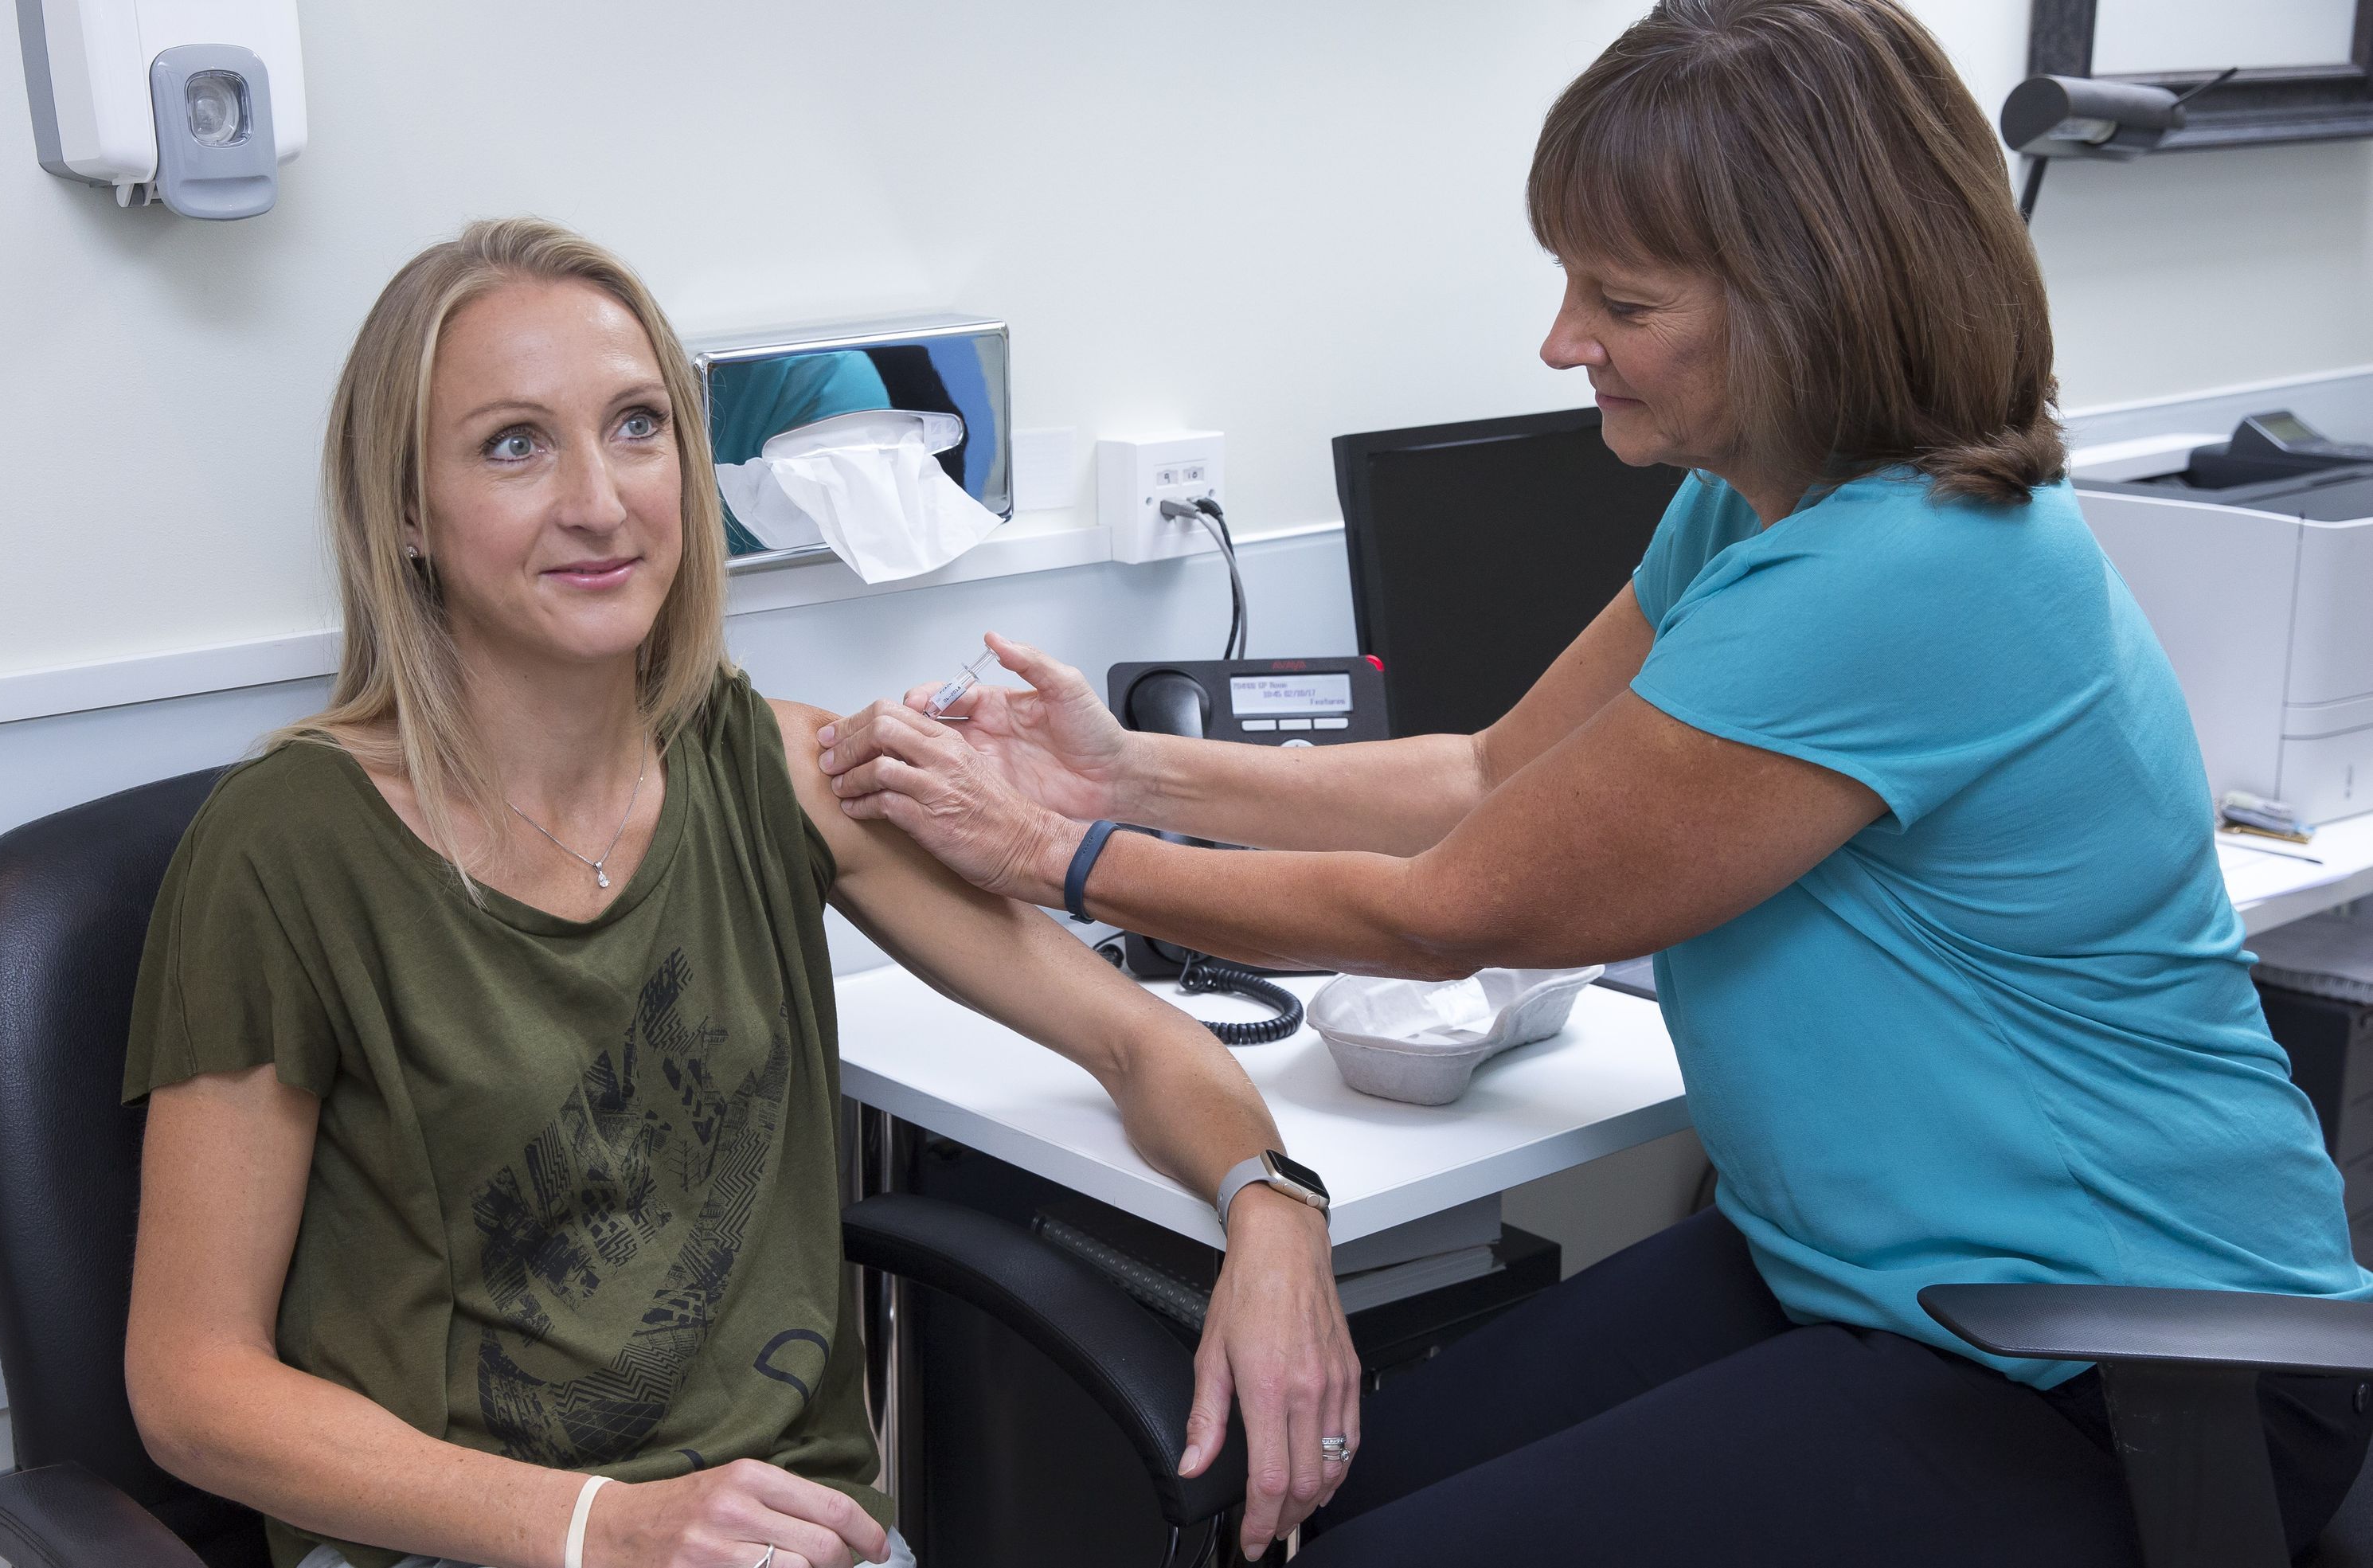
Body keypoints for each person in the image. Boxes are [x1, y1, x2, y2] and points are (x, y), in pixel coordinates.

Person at [812, 2, 2373, 1561]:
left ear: (1807, 302)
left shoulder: (1911, 571)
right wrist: (1127, 768)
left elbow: (1449, 910)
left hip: (2125, 1362)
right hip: (1865, 1275)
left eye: (1616, 298)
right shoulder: (1751, 503)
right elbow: (1488, 772)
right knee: (1330, 1502)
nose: (1561, 341)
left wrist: (1062, 858)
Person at [116, 217, 1357, 1568]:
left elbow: (1132, 1033)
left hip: (794, 1540)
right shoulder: (286, 847)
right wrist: (604, 1525)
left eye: (638, 425)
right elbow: (191, 1386)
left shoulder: (768, 764)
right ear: (406, 510)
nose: (601, 498)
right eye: (515, 443)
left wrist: (1273, 1205)